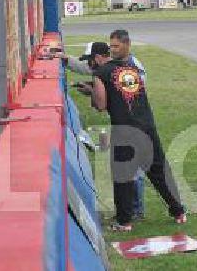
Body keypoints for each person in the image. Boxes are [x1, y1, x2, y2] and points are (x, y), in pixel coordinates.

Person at [88, 29, 186, 231]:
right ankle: (178, 211)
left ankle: (124, 221)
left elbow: (101, 105)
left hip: (125, 129)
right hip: (147, 126)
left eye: (115, 45)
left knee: (123, 175)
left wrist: (91, 91)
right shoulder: (133, 69)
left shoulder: (101, 73)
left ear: (126, 44)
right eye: (111, 46)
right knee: (158, 171)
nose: (113, 49)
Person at [64, 41, 150, 219]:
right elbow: (85, 70)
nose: (89, 66)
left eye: (91, 61)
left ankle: (135, 210)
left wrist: (93, 91)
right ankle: (132, 210)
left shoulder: (124, 70)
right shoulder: (107, 68)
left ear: (98, 58)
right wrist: (65, 60)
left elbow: (109, 101)